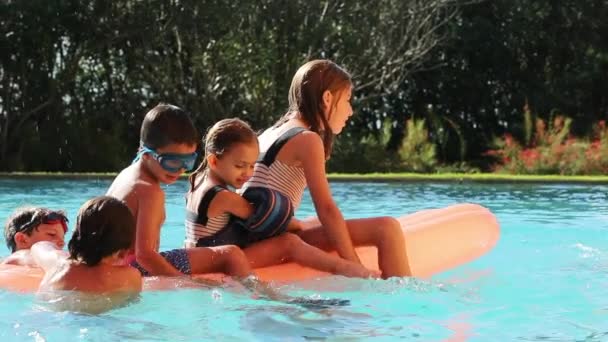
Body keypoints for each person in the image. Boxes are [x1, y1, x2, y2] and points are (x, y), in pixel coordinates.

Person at [241, 59, 412, 278]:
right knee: (387, 229)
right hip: (269, 243)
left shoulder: (270, 132)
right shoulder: (307, 139)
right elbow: (327, 210)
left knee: (310, 222)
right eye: (348, 100)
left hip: (252, 236)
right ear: (327, 98)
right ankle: (401, 300)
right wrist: (355, 266)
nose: (350, 111)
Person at [185, 118, 376, 278]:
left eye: (252, 166)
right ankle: (344, 268)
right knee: (288, 243)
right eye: (240, 166)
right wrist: (298, 226)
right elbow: (269, 219)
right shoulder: (224, 197)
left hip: (201, 255)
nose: (247, 174)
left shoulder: (197, 182)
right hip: (215, 262)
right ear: (213, 160)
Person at [106, 103, 254, 280]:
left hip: (116, 263)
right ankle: (257, 299)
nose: (180, 170)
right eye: (173, 162)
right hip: (134, 267)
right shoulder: (149, 191)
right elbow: (144, 256)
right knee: (231, 254)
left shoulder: (127, 174)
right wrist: (184, 281)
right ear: (146, 154)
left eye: (188, 161)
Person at [31, 196, 141, 313]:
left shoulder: (60, 264)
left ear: (77, 233)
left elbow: (38, 247)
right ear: (124, 245)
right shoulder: (131, 277)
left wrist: (63, 254)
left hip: (51, 315)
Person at [2, 207, 68, 266]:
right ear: (22, 239)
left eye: (63, 237)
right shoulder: (19, 257)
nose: (62, 242)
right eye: (52, 234)